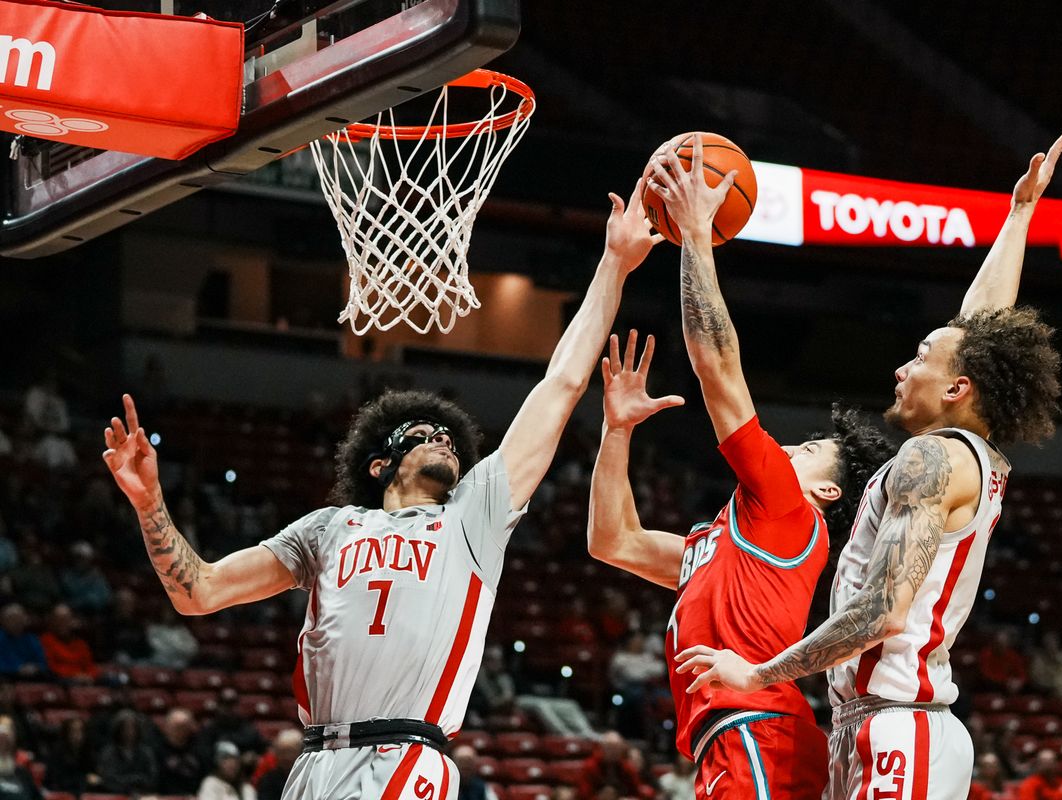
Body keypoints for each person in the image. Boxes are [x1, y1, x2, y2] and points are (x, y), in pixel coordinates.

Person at [101, 180, 662, 800]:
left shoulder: (470, 517)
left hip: (405, 756)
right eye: (425, 433)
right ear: (379, 465)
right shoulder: (327, 529)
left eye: (452, 437)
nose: (445, 440)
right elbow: (199, 592)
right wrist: (149, 502)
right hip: (313, 765)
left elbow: (561, 384)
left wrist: (614, 261)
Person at [672, 132, 1062, 800]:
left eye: (918, 356)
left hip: (900, 729)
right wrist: (1019, 215)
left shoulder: (933, 458)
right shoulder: (959, 448)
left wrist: (759, 674)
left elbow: (883, 613)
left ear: (955, 390)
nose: (900, 367)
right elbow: (978, 335)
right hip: (878, 728)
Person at [588, 150, 893, 797]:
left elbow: (720, 371)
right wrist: (616, 432)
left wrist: (697, 234)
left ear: (826, 490)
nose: (788, 446)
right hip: (734, 739)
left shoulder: (788, 510)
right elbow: (612, 540)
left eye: (808, 448)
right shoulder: (719, 545)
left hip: (758, 732)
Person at [97, 708, 159, 794]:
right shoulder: (108, 753)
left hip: (142, 795)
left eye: (132, 728)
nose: (129, 732)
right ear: (118, 729)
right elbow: (109, 781)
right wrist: (136, 780)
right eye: (125, 728)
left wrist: (127, 780)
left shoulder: (146, 752)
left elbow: (152, 779)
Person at [40, 603, 99, 683]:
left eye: (66, 619)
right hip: (62, 680)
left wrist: (89, 676)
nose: (63, 623)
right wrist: (75, 675)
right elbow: (51, 667)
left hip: (83, 679)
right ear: (52, 621)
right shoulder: (46, 640)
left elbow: (90, 666)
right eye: (59, 620)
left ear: (72, 621)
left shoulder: (80, 643)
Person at [43, 716, 103, 794]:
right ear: (66, 733)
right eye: (74, 731)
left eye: (81, 731)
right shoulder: (57, 753)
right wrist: (85, 779)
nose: (78, 735)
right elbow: (58, 781)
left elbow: (95, 774)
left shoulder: (88, 751)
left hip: (85, 792)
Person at [157, 707, 205, 795]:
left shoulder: (199, 748)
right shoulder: (157, 750)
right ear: (167, 727)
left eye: (184, 726)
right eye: (176, 726)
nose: (180, 731)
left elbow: (205, 777)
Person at [0, 604, 47, 679]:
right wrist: (18, 669)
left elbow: (43, 663)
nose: (17, 622)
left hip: (32, 678)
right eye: (11, 619)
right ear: (2, 621)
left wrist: (35, 667)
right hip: (7, 678)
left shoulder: (32, 638)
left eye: (19, 618)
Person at [257, 730, 304, 800]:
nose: (286, 757)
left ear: (300, 753)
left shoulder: (308, 774)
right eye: (282, 752)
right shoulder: (269, 779)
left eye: (290, 751)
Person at [979, 628, 1028, 694]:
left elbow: (1022, 673)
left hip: (1010, 686)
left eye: (1003, 643)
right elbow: (986, 674)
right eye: (998, 643)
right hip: (992, 685)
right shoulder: (986, 653)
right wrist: (1006, 681)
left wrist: (1019, 681)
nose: (1001, 646)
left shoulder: (1013, 655)